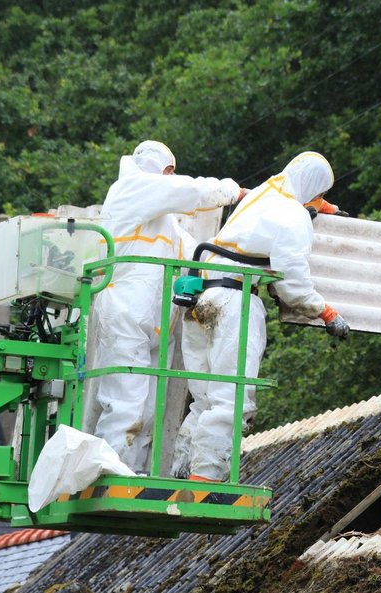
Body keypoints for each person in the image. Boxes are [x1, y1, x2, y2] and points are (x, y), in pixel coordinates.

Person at [174, 151, 350, 482]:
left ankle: (181, 479)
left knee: (204, 402)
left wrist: (322, 208)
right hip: (232, 303)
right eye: (321, 193)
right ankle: (204, 485)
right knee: (232, 401)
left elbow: (289, 205)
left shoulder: (262, 196)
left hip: (199, 297)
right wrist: (325, 312)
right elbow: (291, 282)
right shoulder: (292, 215)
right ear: (312, 187)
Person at [92, 140, 242, 473]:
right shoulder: (133, 187)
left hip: (153, 320)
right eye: (170, 172)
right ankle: (109, 472)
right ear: (166, 170)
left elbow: (196, 253)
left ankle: (132, 474)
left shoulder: (164, 225)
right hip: (127, 312)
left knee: (146, 408)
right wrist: (235, 191)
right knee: (125, 403)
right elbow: (193, 192)